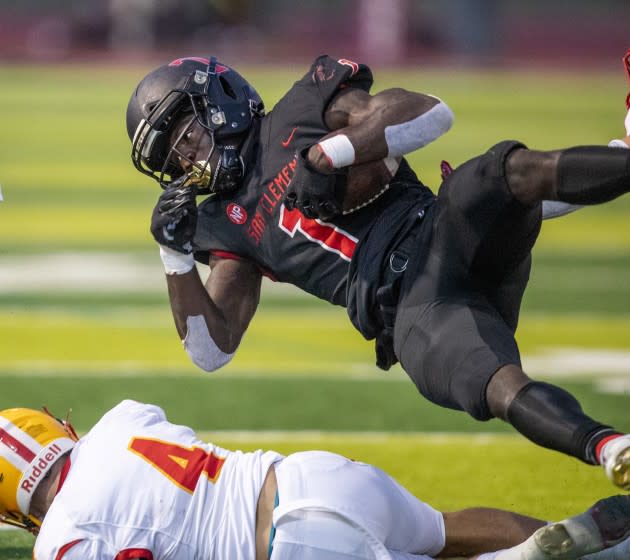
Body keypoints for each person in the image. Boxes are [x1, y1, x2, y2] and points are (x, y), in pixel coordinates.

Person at [125, 53, 630, 492]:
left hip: (442, 231)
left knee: (504, 173)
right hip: (411, 309)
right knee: (494, 384)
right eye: (172, 159)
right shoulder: (222, 225)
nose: (188, 160)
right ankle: (609, 448)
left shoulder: (304, 107)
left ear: (220, 99)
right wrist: (174, 257)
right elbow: (211, 350)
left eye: (185, 135)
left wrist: (330, 153)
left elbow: (433, 113)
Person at [1, 400, 629, 559]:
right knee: (443, 530)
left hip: (289, 549)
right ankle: (591, 540)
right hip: (307, 475)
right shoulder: (120, 422)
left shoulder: (61, 540)